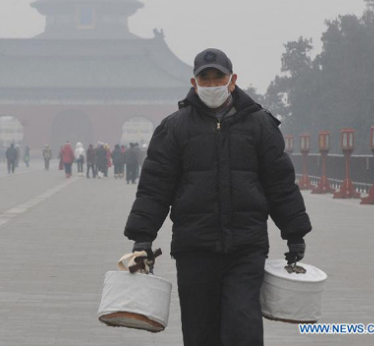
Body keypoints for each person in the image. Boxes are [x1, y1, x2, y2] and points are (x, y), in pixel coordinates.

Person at [123, 48, 312, 346]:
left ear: (232, 80)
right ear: (194, 82)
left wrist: (295, 232)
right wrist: (142, 237)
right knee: (200, 332)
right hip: (194, 247)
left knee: (244, 328)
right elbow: (155, 187)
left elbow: (280, 184)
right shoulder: (174, 127)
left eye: (218, 78)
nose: (212, 85)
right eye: (205, 79)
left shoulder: (260, 125)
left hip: (246, 247)